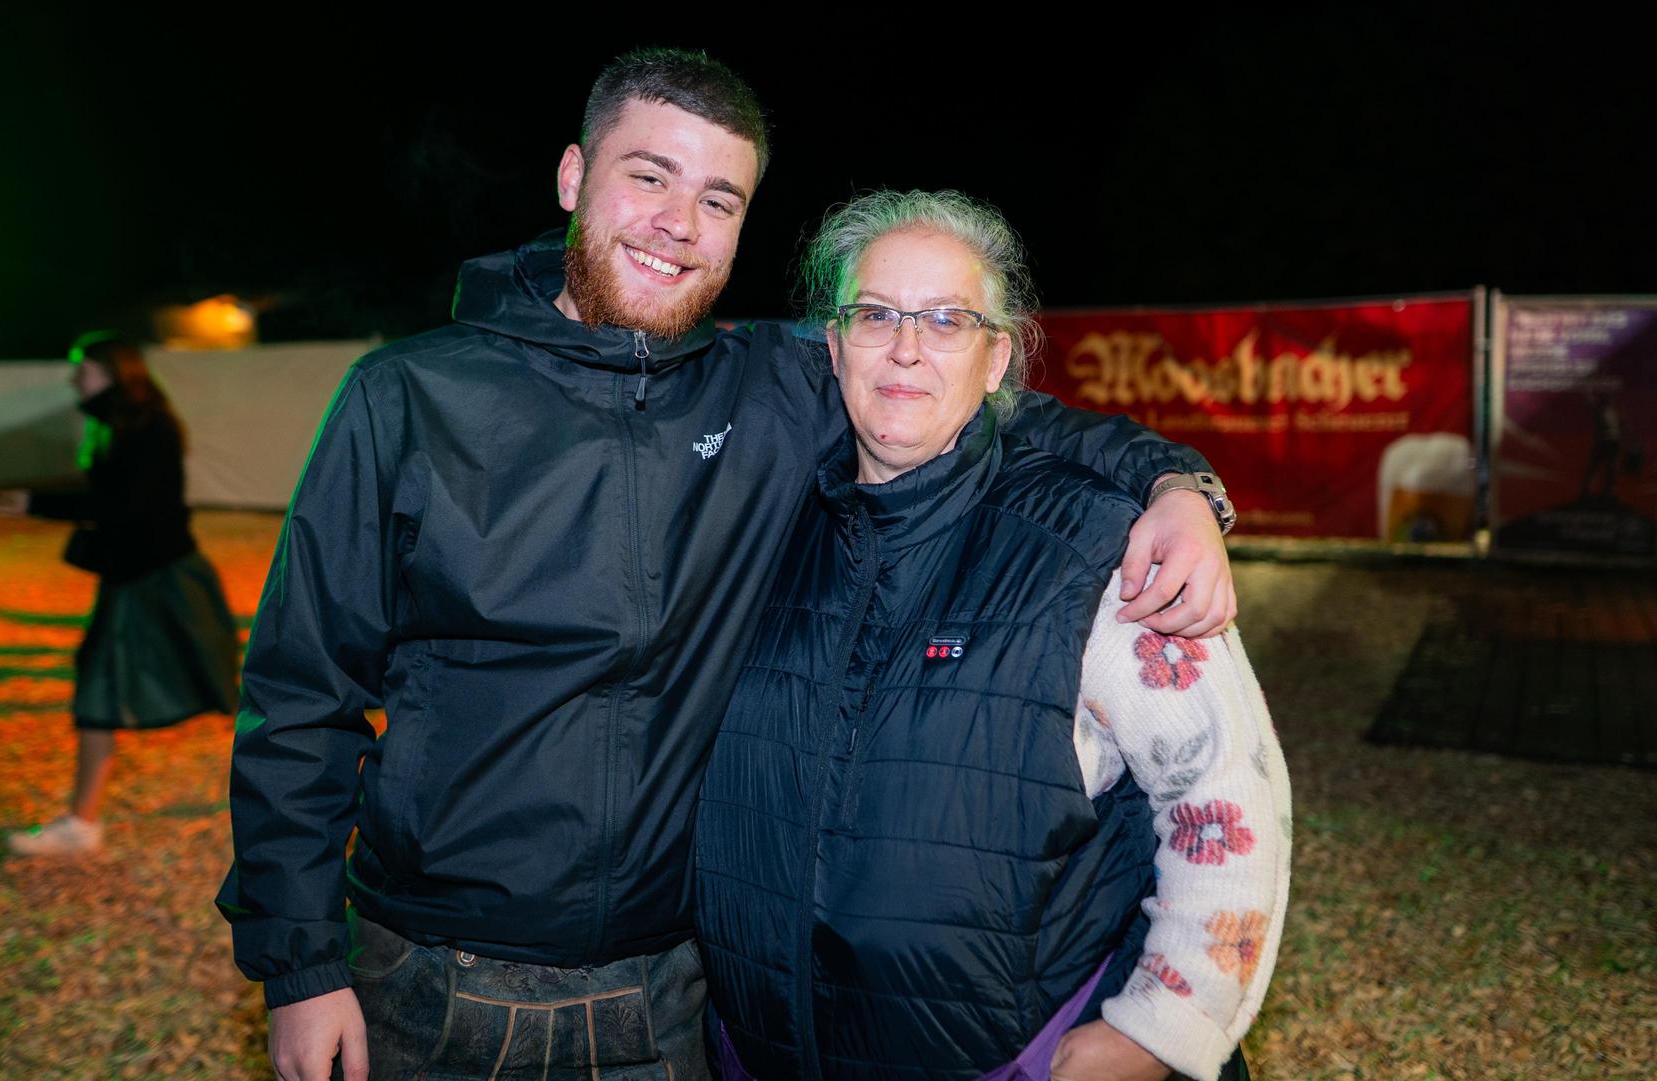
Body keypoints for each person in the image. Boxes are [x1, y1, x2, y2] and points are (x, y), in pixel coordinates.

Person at [219, 49, 1240, 1081]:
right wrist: (299, 965)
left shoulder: (769, 389)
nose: (679, 223)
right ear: (574, 178)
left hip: (666, 997)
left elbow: (969, 399)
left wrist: (1176, 486)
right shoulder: (406, 399)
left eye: (718, 199)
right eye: (648, 176)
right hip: (428, 984)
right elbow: (302, 695)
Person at [693, 191, 1289, 1081]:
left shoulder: (1094, 545)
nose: (906, 348)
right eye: (874, 315)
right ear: (833, 344)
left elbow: (1226, 791)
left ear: (996, 357)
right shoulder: (766, 532)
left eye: (946, 319)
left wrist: (1163, 1028)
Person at [0, 333, 239, 856]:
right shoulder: (122, 424)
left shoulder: (146, 428)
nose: (74, 379)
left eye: (82, 370)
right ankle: (82, 821)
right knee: (117, 690)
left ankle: (82, 825)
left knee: (141, 689)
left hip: (157, 581)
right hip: (142, 578)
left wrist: (39, 504)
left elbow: (125, 506)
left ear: (113, 372)